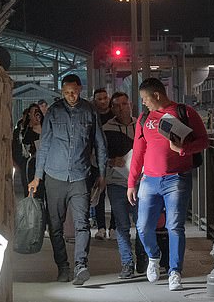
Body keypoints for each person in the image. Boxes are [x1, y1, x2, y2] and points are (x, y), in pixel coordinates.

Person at [127, 78, 209, 291]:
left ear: (156, 95)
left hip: (177, 178)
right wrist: (131, 182)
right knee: (143, 227)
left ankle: (175, 272)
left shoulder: (185, 112)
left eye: (145, 98)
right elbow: (138, 152)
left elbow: (204, 141)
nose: (143, 103)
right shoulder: (144, 118)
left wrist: (183, 149)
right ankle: (153, 256)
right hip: (149, 180)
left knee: (175, 226)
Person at [28, 74, 108, 286]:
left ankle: (81, 264)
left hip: (80, 176)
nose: (70, 96)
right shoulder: (54, 112)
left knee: (82, 223)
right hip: (55, 176)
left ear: (80, 89)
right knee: (55, 225)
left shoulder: (89, 111)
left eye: (73, 92)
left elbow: (100, 144)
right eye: (66, 93)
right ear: (62, 92)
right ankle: (63, 266)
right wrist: (38, 177)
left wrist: (102, 173)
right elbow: (44, 146)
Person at [103, 92, 144, 278]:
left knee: (142, 223)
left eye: (124, 104)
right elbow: (96, 156)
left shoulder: (141, 125)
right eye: (117, 105)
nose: (122, 108)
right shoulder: (106, 129)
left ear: (131, 105)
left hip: (141, 182)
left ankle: (143, 258)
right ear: (112, 109)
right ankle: (127, 263)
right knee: (122, 225)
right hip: (118, 182)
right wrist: (111, 161)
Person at [91, 88, 116, 239]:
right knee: (98, 193)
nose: (103, 101)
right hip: (96, 160)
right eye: (99, 99)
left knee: (114, 193)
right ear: (95, 100)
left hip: (114, 160)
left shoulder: (114, 115)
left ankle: (113, 227)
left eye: (105, 98)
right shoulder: (92, 116)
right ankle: (101, 227)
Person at [22, 103, 45, 198]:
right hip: (34, 162)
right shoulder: (28, 131)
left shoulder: (46, 128)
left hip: (48, 163)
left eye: (37, 112)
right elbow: (25, 142)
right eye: (33, 113)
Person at [12, 108, 31, 197]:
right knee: (24, 182)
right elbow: (13, 146)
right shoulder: (17, 132)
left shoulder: (34, 129)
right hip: (20, 160)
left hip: (31, 159)